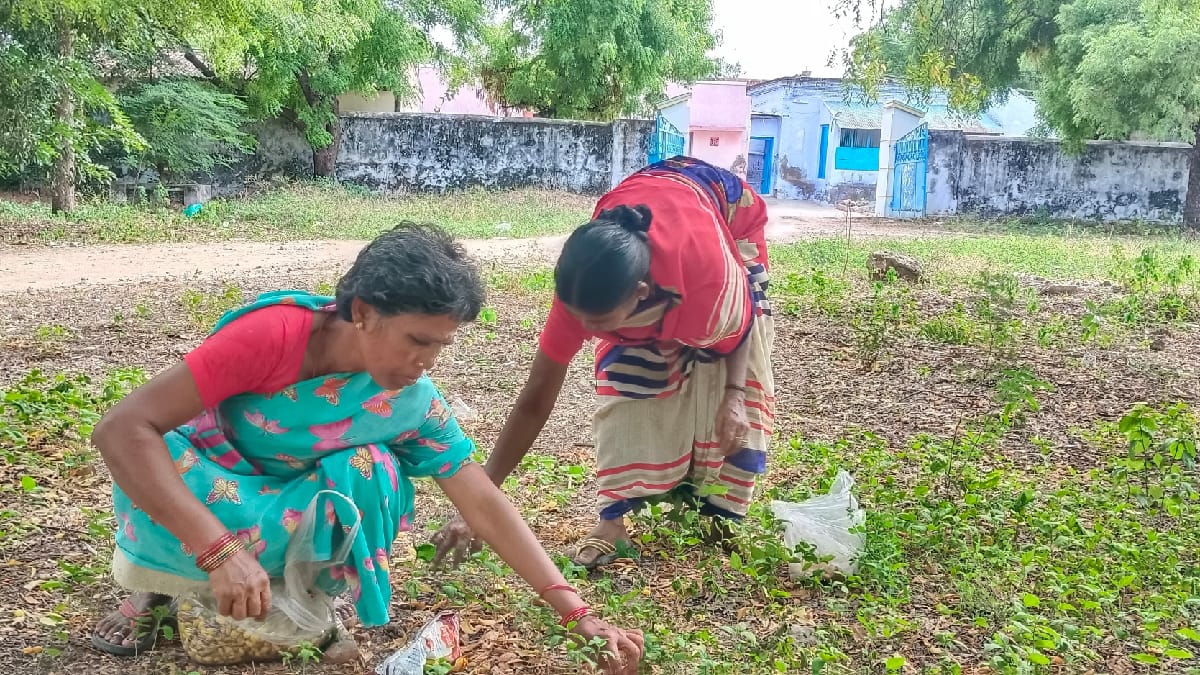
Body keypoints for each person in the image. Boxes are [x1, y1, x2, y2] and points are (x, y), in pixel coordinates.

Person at [89, 223, 643, 673]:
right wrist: (218, 551)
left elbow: (482, 502)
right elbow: (122, 429)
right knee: (158, 455)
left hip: (282, 503)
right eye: (416, 341)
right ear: (363, 313)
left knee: (371, 469)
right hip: (212, 482)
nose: (427, 361)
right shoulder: (271, 337)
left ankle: (300, 597)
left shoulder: (411, 401)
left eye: (440, 345)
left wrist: (577, 613)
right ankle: (155, 587)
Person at [432, 156, 775, 570]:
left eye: (598, 322)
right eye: (579, 318)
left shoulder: (708, 279)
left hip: (727, 216)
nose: (584, 329)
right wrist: (479, 503)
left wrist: (734, 395)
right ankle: (613, 522)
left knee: (723, 385)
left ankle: (712, 510)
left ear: (641, 294)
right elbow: (534, 399)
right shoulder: (582, 293)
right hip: (653, 211)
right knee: (628, 379)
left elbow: (737, 330)